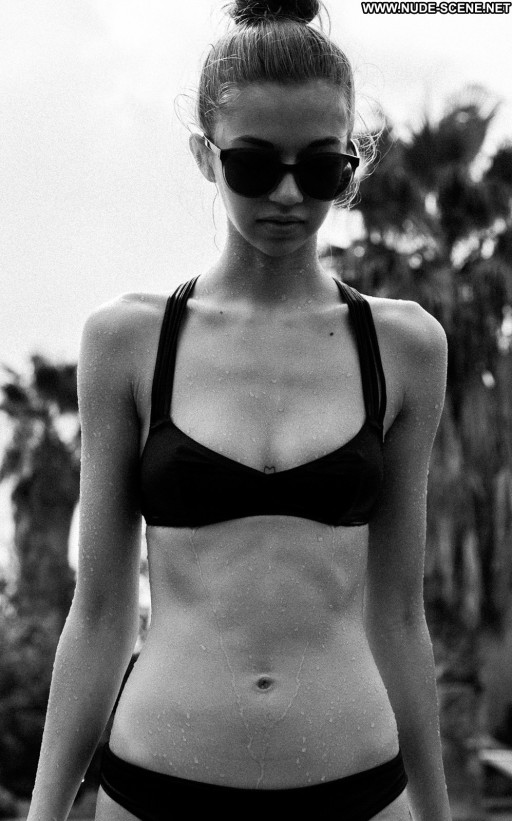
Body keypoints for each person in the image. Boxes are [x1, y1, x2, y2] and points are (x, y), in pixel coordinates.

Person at [27, 1, 452, 819]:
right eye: (254, 165)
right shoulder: (128, 341)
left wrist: (437, 812)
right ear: (205, 155)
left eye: (320, 168)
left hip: (359, 789)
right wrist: (44, 812)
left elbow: (400, 614)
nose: (288, 194)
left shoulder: (404, 346)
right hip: (156, 789)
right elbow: (102, 612)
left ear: (351, 164)